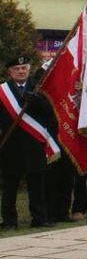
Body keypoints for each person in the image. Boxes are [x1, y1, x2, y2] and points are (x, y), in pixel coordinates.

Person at [0, 56, 54, 229]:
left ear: (29, 69)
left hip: (34, 144)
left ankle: (39, 219)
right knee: (10, 186)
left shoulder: (39, 88)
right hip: (11, 145)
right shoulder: (3, 91)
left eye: (24, 67)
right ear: (10, 72)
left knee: (37, 184)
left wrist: (36, 101)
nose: (21, 71)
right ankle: (9, 221)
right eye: (17, 69)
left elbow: (49, 113)